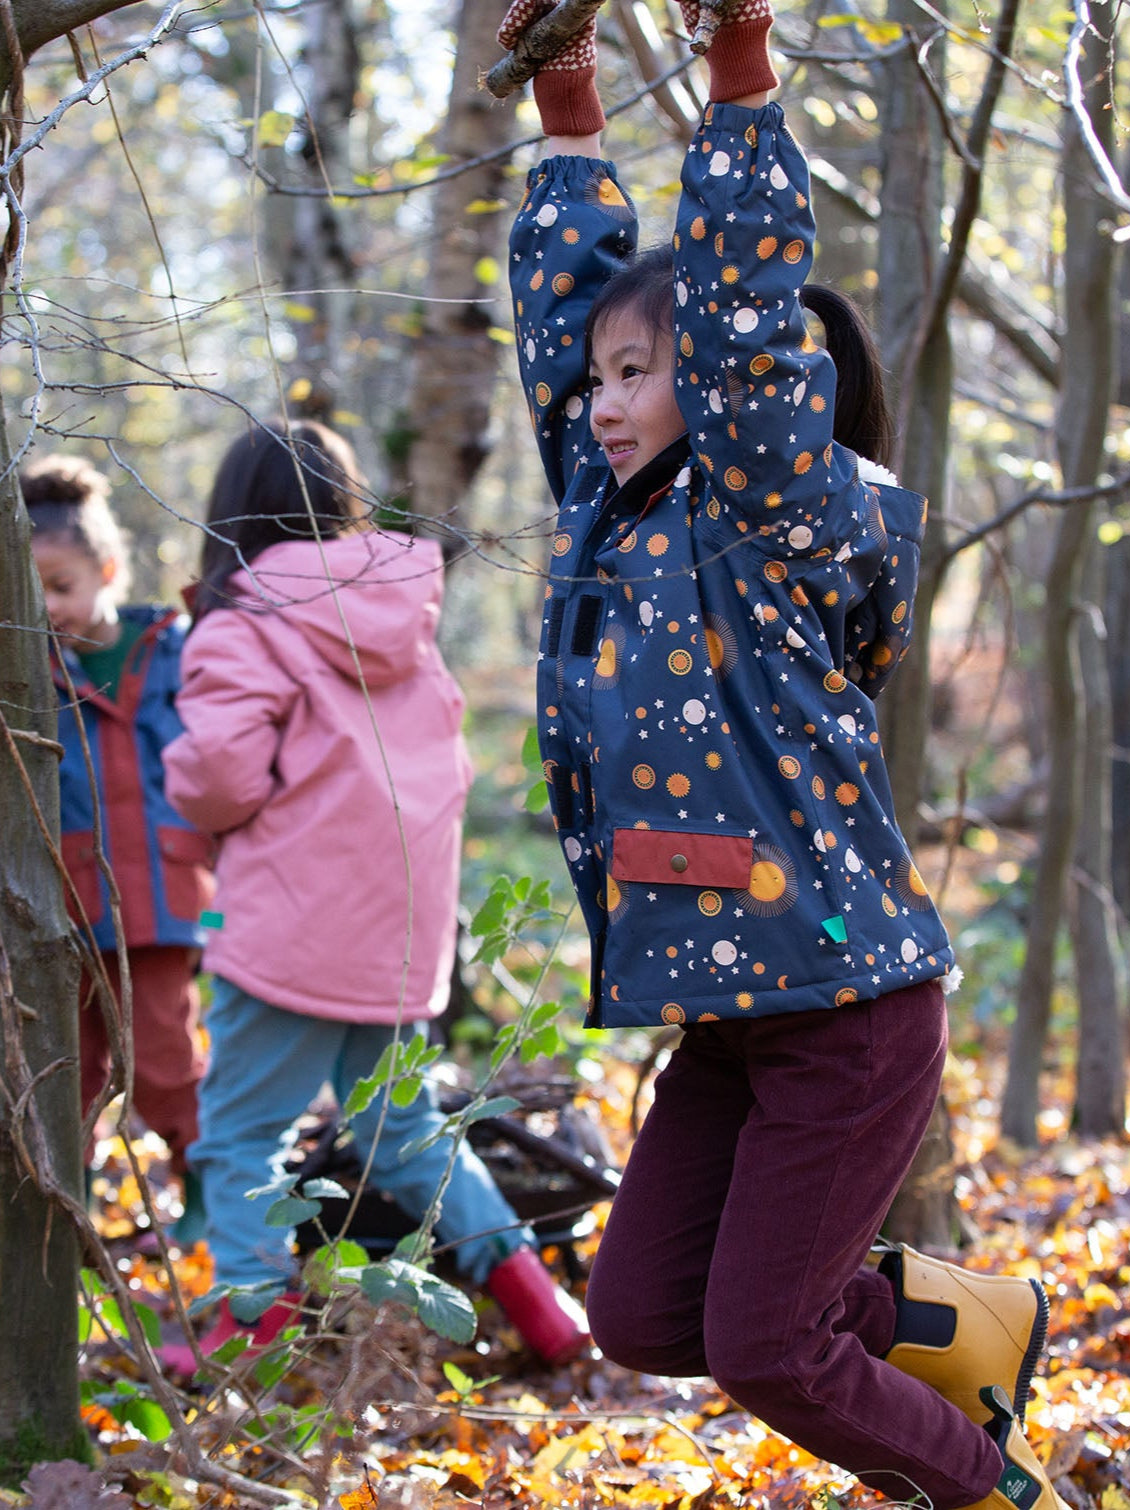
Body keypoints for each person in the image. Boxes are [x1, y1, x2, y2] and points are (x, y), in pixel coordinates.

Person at [501, 2, 1068, 1507]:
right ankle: (951, 1324)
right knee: (643, 1315)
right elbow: (563, 339)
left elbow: (742, 318)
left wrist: (740, 73)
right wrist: (569, 117)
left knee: (763, 1345)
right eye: (601, 379)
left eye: (639, 375)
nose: (602, 407)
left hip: (842, 1008)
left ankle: (991, 1489)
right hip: (732, 1014)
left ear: (725, 388)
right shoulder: (612, 514)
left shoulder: (766, 518)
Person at [157, 418, 588, 1374]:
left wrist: (179, 786)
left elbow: (220, 776)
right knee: (404, 1132)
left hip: (290, 931)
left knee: (240, 1135)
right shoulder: (401, 620)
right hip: (396, 933)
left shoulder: (245, 623)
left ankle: (253, 1316)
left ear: (232, 515)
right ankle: (537, 1298)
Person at [25, 455, 211, 1236]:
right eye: (29, 591)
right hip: (62, 912)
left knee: (165, 1063)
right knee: (64, 1072)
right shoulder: (27, 674)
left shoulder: (174, 650)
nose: (47, 608)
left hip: (163, 906)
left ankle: (206, 1200)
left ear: (106, 570)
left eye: (61, 586)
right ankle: (61, 1219)